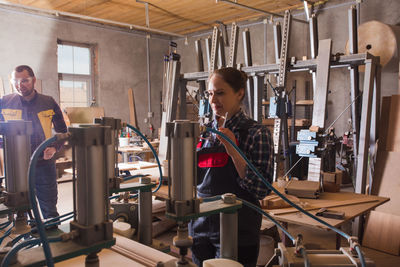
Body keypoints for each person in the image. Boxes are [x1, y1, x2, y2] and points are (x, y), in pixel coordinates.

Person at [189, 67, 274, 267]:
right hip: (200, 228)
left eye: (220, 93)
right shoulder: (204, 135)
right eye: (210, 93)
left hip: (237, 231)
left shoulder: (256, 133)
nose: (213, 100)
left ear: (239, 93)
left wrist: (233, 149)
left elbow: (261, 190)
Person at [0, 65, 67, 219]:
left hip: (43, 163)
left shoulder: (48, 102)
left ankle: (50, 236)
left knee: (49, 206)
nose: (19, 85)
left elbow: (62, 131)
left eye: (24, 80)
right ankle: (28, 238)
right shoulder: (4, 102)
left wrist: (54, 148)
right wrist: (7, 149)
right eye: (15, 81)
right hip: (16, 168)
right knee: (21, 208)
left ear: (34, 80)